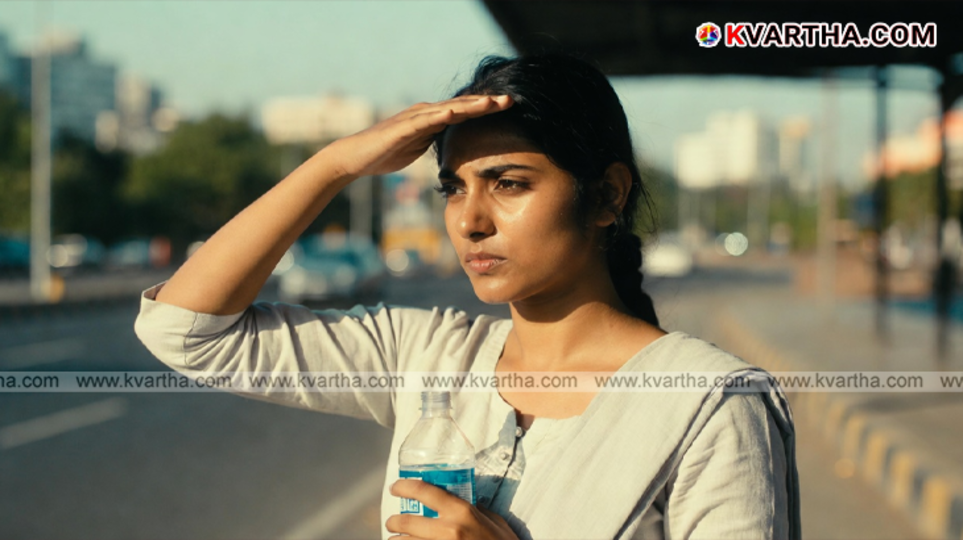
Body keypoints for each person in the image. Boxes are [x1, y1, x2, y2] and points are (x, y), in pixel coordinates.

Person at [134, 54, 799, 540]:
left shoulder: (709, 403)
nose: (468, 220)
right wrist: (334, 164)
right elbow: (186, 332)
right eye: (451, 188)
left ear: (606, 195)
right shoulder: (424, 354)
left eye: (507, 184)